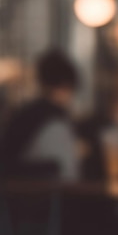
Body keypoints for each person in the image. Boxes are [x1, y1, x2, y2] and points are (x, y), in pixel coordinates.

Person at [0, 49, 80, 180]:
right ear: (66, 86)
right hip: (47, 196)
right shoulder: (54, 121)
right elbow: (68, 173)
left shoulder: (25, 115)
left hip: (16, 195)